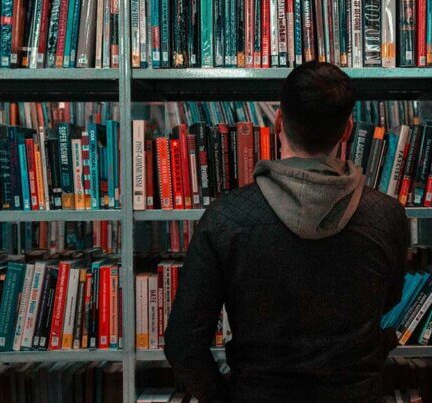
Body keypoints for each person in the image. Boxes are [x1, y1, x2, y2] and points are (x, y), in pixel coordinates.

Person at [164, 61, 409, 402]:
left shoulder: (226, 218)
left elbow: (182, 343)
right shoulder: (387, 217)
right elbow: (389, 301)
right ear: (348, 130)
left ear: (278, 121)